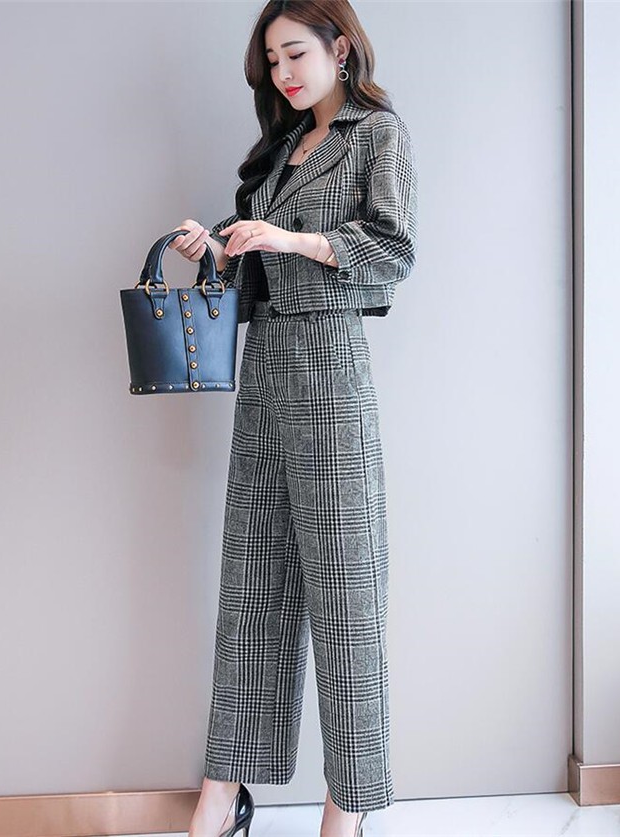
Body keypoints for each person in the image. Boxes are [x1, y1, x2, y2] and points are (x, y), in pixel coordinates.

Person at [169, 2, 418, 835]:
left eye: (295, 53)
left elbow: (394, 248)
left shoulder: (376, 135)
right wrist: (221, 252)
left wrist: (292, 239)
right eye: (272, 61)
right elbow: (254, 283)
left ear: (339, 47)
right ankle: (221, 791)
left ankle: (347, 804)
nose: (283, 73)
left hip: (330, 368)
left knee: (346, 592)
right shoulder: (279, 153)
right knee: (252, 586)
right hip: (266, 369)